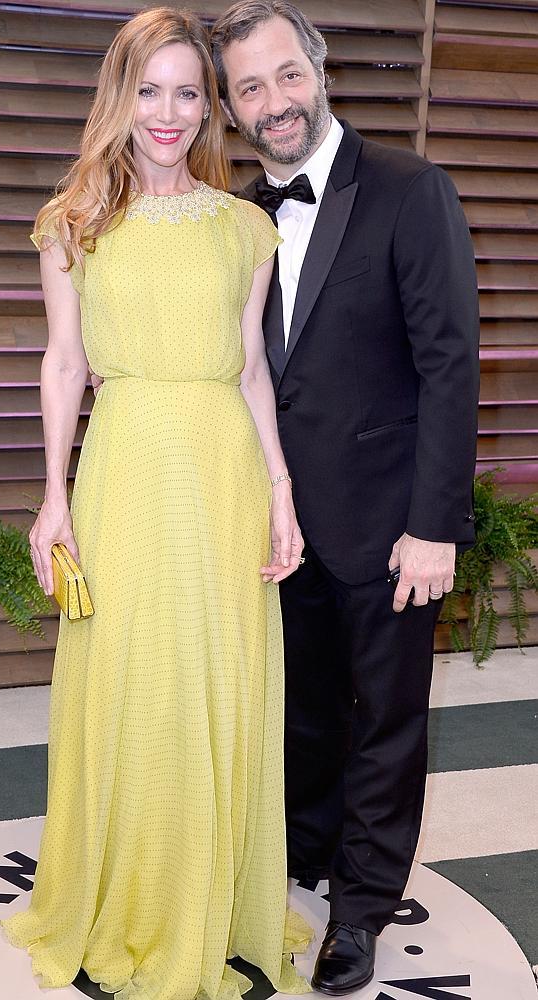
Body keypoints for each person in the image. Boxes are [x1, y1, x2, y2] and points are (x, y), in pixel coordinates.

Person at [0, 7, 314, 998]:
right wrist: (52, 497)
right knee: (134, 682)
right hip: (127, 464)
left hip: (222, 465)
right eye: (150, 91)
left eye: (188, 91)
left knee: (218, 683)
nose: (169, 113)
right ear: (118, 97)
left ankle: (215, 901)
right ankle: (130, 899)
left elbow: (254, 372)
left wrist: (279, 491)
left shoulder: (245, 227)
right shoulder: (73, 219)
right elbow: (62, 364)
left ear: (206, 104)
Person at [210, 2, 480, 994]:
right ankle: (301, 860)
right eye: (248, 86)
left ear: (316, 70)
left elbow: (449, 366)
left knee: (384, 723)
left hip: (387, 522)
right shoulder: (234, 218)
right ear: (230, 106)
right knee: (304, 716)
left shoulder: (412, 192)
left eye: (286, 74)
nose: (273, 101)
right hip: (275, 528)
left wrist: (431, 525)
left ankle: (360, 911)